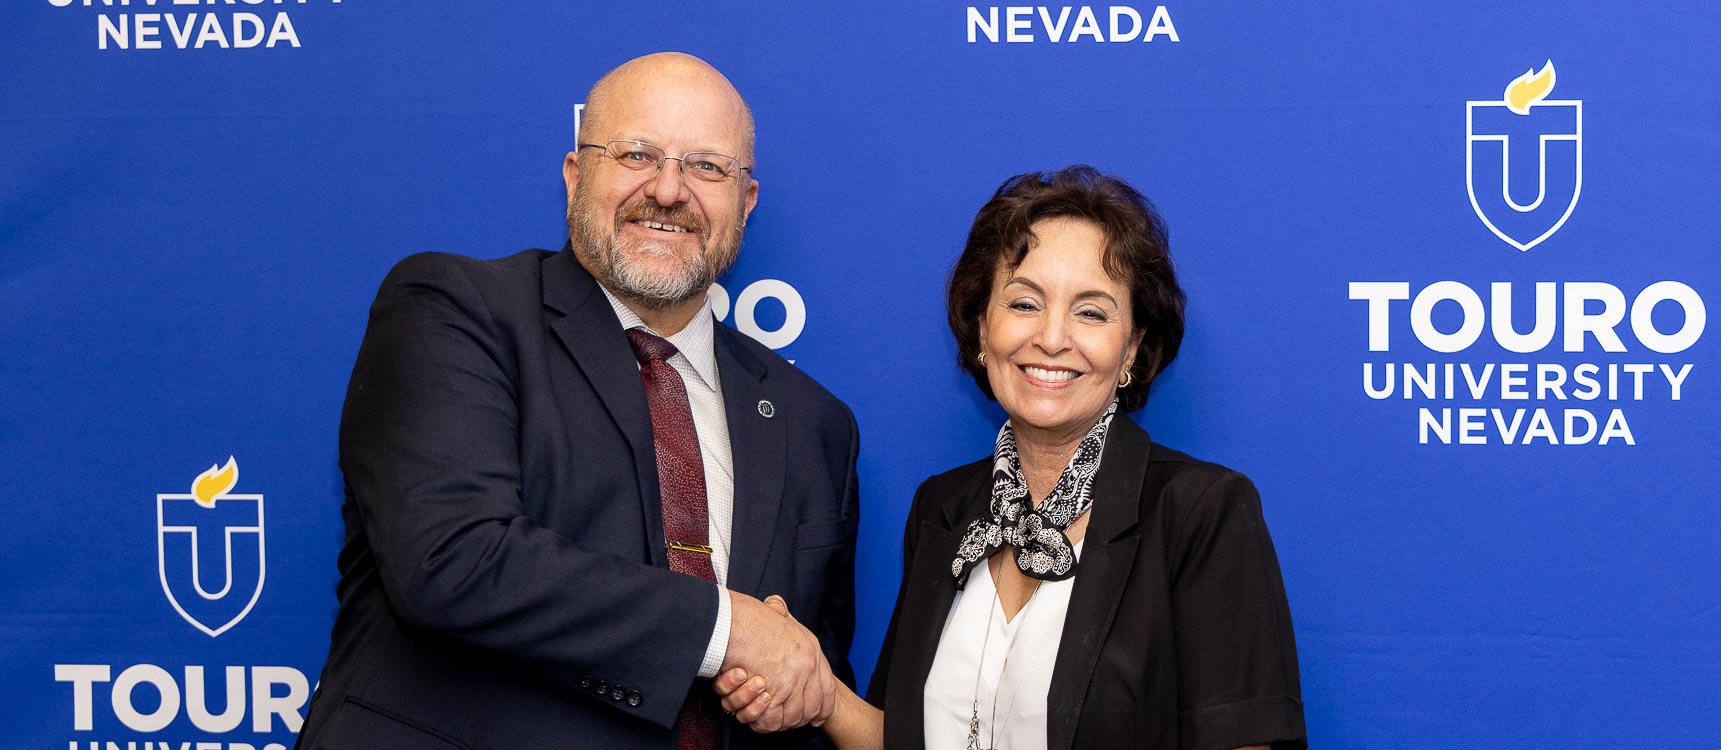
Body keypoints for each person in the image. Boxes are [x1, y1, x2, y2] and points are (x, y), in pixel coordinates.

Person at [298, 52, 856, 749]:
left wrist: (788, 684)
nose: (668, 189)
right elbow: (450, 560)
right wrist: (728, 628)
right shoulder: (456, 311)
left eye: (707, 167)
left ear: (745, 202)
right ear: (574, 175)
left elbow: (807, 673)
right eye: (636, 153)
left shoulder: (814, 423)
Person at [715, 166, 1306, 749]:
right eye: (1024, 303)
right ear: (980, 326)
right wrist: (822, 692)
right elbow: (904, 740)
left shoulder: (1201, 513)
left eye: (1091, 312)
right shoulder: (942, 510)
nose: (1051, 337)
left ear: (1132, 347)